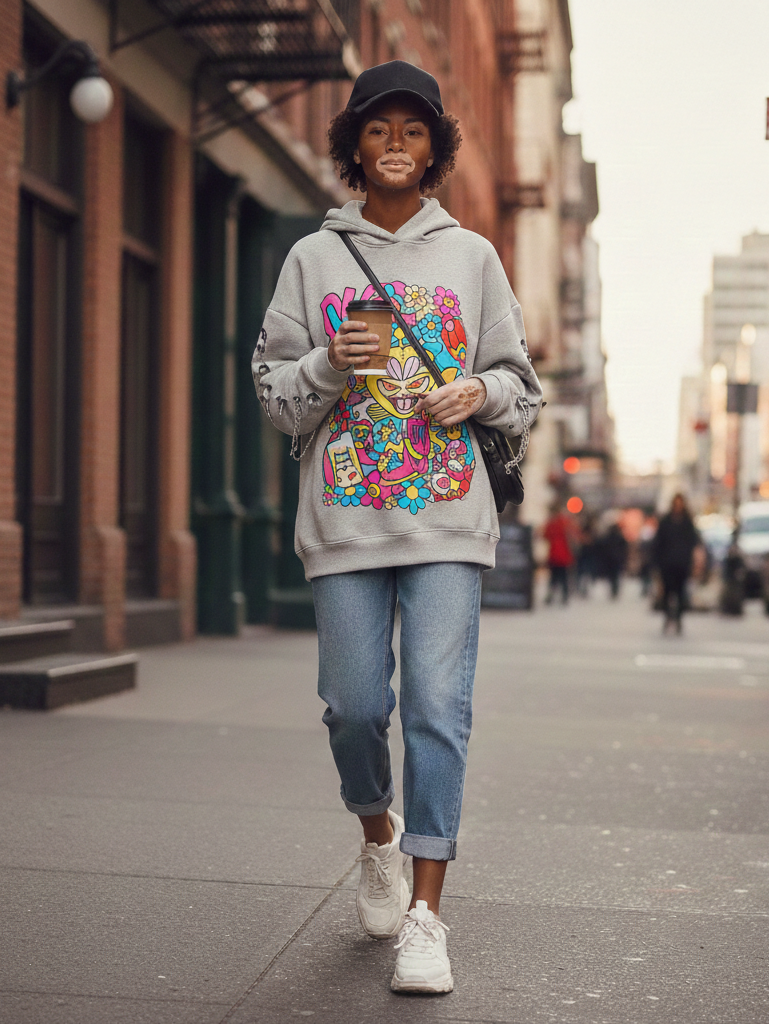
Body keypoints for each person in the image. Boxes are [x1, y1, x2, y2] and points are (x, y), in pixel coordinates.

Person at [251, 61, 543, 994]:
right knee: (354, 707)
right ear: (354, 146)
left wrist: (479, 389)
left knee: (435, 711)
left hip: (449, 518)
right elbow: (274, 395)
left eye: (413, 133)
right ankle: (376, 829)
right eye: (378, 131)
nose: (394, 148)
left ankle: (427, 914)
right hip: (344, 516)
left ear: (433, 151)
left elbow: (520, 390)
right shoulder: (311, 258)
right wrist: (333, 364)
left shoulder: (473, 257)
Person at [652, 493, 699, 633]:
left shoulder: (687, 522)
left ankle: (678, 619)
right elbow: (658, 543)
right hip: (667, 564)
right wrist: (657, 564)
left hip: (682, 564)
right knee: (667, 593)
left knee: (680, 592)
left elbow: (693, 542)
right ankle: (667, 617)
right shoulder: (666, 521)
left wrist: (693, 562)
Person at [543, 504, 574, 604]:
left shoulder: (551, 523)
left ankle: (551, 596)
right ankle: (564, 596)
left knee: (553, 578)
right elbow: (573, 536)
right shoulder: (565, 522)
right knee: (564, 577)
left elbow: (545, 535)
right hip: (564, 555)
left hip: (554, 555)